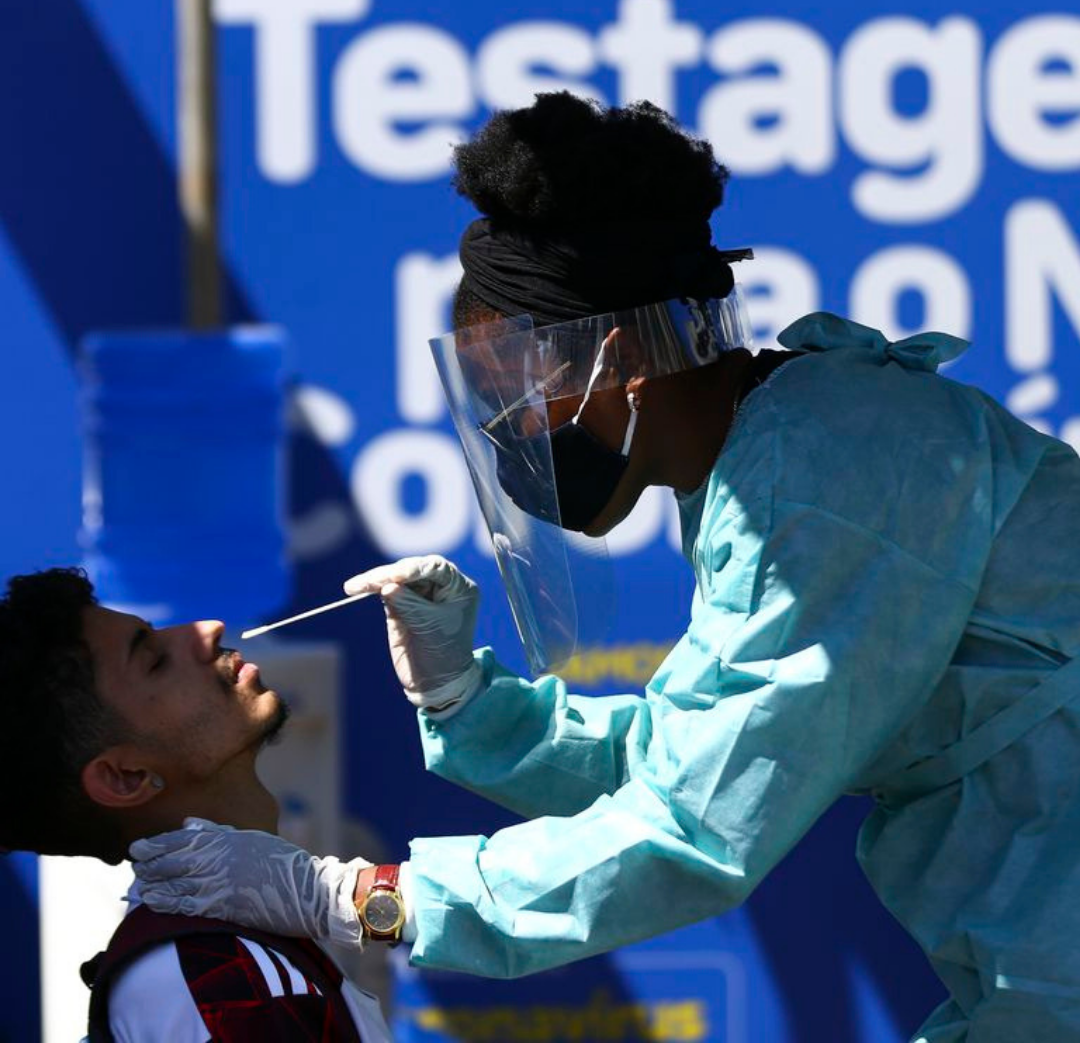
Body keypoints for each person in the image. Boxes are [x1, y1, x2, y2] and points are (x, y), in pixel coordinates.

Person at [133, 93, 1080, 1042]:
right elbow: (692, 760)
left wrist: (363, 899)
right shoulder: (765, 467)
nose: (513, 441)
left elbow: (692, 834)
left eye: (520, 402)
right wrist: (470, 700)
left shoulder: (829, 478)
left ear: (615, 360)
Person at [0, 567, 392, 1042]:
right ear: (127, 777)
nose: (208, 629)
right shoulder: (217, 978)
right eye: (155, 661)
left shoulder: (224, 954)